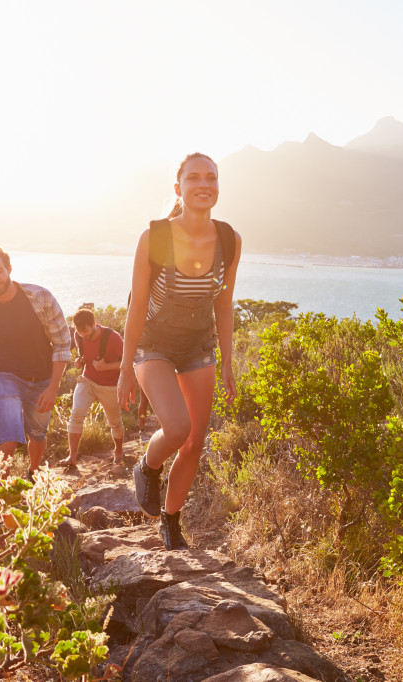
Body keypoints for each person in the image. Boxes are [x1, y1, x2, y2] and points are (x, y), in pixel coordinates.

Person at [118, 153, 242, 550]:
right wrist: (124, 368)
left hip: (198, 348)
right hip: (153, 344)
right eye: (193, 178)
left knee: (195, 442)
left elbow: (224, 305)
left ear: (218, 186)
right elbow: (136, 306)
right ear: (179, 188)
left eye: (211, 178)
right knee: (177, 428)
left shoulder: (229, 239)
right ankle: (147, 465)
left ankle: (170, 523)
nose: (203, 185)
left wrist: (228, 360)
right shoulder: (154, 236)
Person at [0, 246, 70, 477]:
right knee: (7, 443)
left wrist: (53, 388)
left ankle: (34, 472)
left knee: (37, 435)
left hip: (43, 378)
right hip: (6, 376)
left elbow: (61, 343)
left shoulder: (40, 297)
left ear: (9, 269)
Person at [60, 308, 125, 467]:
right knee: (76, 414)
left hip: (110, 386)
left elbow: (130, 362)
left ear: (94, 324)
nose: (83, 335)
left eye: (86, 331)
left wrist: (107, 367)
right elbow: (85, 356)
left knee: (115, 422)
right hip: (87, 380)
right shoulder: (79, 335)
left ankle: (118, 451)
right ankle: (72, 457)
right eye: (79, 332)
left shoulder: (113, 338)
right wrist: (80, 361)